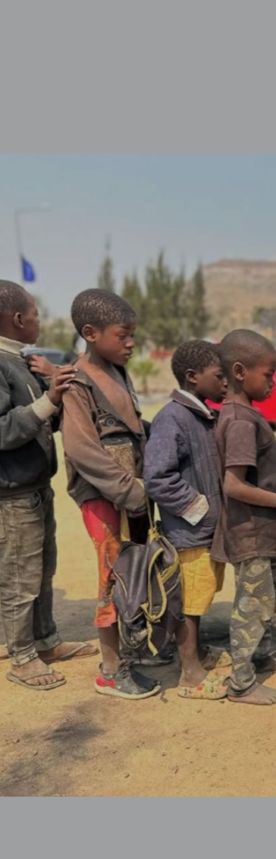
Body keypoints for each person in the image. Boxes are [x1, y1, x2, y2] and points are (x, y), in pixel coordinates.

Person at [61, 289, 161, 699]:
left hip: (134, 493)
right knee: (110, 577)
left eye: (132, 334)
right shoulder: (76, 383)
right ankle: (110, 669)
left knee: (135, 571)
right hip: (104, 497)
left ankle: (134, 650)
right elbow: (81, 449)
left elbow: (134, 427)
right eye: (123, 335)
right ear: (91, 333)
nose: (131, 343)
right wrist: (126, 490)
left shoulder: (119, 371)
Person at [0, 281, 98, 691]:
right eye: (36, 315)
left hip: (36, 488)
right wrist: (49, 399)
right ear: (18, 319)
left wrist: (58, 387)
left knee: (41, 572)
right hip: (13, 497)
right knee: (19, 580)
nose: (39, 321)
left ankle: (45, 641)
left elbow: (45, 418)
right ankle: (22, 657)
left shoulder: (21, 362)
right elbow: (4, 430)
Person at [211, 329, 276, 707]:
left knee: (269, 597)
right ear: (239, 371)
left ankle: (261, 657)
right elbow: (233, 485)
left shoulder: (244, 415)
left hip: (260, 531)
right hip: (248, 531)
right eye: (268, 374)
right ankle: (241, 682)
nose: (273, 382)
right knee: (252, 605)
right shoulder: (240, 421)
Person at [143, 340, 230, 701]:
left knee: (200, 595)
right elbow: (158, 478)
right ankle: (190, 673)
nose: (226, 382)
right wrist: (200, 509)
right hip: (189, 532)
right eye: (219, 375)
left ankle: (196, 654)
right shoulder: (173, 417)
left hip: (205, 530)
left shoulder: (202, 415)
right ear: (193, 376)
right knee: (189, 604)